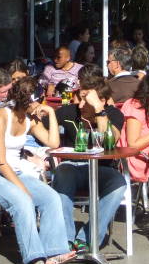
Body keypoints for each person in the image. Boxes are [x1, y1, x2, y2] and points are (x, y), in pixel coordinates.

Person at [0, 77, 75, 264]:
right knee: (22, 201)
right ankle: (35, 257)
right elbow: (0, 161)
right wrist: (22, 189)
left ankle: (54, 251)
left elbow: (53, 143)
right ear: (28, 101)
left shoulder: (29, 118)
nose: (41, 105)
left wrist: (52, 114)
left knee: (50, 198)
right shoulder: (1, 116)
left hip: (16, 170)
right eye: (39, 101)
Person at [51, 66, 128, 252]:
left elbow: (111, 141)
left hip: (102, 169)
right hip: (73, 167)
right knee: (63, 171)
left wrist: (100, 112)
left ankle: (87, 238)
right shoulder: (69, 112)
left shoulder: (113, 114)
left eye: (86, 100)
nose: (80, 105)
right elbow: (36, 124)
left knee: (119, 182)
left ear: (101, 101)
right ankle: (65, 240)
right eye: (81, 98)